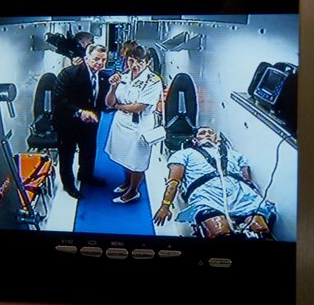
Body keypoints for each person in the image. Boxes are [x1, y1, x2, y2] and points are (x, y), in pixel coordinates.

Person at [152, 127, 276, 239]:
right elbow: (174, 182)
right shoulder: (184, 154)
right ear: (195, 140)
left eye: (211, 133)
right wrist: (165, 206)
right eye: (202, 133)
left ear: (217, 140)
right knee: (221, 234)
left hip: (242, 197)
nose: (207, 135)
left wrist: (253, 192)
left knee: (261, 231)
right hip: (208, 198)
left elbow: (247, 180)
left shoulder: (235, 155)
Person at [105, 44, 163, 203]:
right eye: (131, 61)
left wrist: (118, 107)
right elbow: (109, 102)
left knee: (137, 161)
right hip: (121, 124)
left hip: (139, 126)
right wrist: (112, 87)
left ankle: (133, 192)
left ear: (148, 62)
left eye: (140, 62)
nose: (135, 66)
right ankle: (127, 182)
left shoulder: (153, 81)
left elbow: (138, 107)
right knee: (124, 157)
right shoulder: (123, 76)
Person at [52, 44, 110, 199]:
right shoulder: (68, 74)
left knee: (89, 150)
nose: (100, 63)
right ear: (86, 58)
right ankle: (69, 185)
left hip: (91, 123)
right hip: (68, 122)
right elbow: (58, 99)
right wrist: (79, 112)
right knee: (67, 154)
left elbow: (102, 102)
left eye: (103, 60)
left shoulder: (104, 77)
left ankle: (86, 176)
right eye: (96, 59)